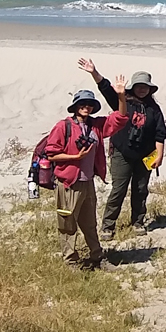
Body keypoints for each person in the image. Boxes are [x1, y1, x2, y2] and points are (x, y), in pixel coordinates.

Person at [76, 59, 166, 240]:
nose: (142, 89)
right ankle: (108, 225)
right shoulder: (122, 100)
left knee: (141, 189)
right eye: (139, 86)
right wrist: (94, 72)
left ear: (150, 89)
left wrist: (160, 155)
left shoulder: (154, 109)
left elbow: (160, 134)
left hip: (145, 156)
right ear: (133, 87)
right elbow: (106, 88)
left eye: (145, 86)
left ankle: (138, 221)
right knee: (119, 189)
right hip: (121, 153)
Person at [43, 85, 127, 269]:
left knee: (90, 223)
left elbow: (120, 119)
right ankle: (70, 261)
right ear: (75, 106)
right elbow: (51, 154)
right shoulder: (63, 126)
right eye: (83, 103)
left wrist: (121, 97)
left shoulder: (95, 126)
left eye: (90, 104)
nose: (86, 107)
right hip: (68, 183)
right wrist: (75, 157)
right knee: (67, 224)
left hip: (87, 182)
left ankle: (97, 257)